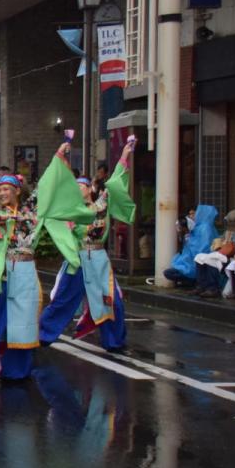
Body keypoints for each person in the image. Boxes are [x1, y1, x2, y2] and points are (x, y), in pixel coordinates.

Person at [0, 140, 93, 388]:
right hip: (3, 276)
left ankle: (16, 370)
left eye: (6, 189)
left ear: (17, 191)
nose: (1, 193)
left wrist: (58, 157)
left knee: (23, 323)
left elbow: (45, 188)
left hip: (26, 274)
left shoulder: (31, 213)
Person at [39, 138, 137, 350]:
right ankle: (41, 335)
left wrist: (124, 155)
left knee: (111, 301)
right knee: (63, 301)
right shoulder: (69, 210)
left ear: (90, 188)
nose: (78, 187)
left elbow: (116, 182)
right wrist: (60, 155)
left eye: (82, 185)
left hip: (99, 259)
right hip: (78, 259)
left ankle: (114, 341)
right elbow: (59, 183)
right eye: (75, 185)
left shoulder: (101, 205)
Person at [162, 204, 218, 288]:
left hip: (198, 261)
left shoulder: (205, 228)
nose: (192, 216)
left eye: (194, 213)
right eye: (190, 214)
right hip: (190, 262)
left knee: (170, 273)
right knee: (169, 273)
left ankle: (194, 282)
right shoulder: (195, 228)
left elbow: (203, 247)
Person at [191, 210, 235, 298]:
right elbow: (221, 240)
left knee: (211, 260)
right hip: (223, 253)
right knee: (199, 257)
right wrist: (219, 243)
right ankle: (201, 286)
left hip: (234, 258)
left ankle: (213, 288)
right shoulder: (228, 231)